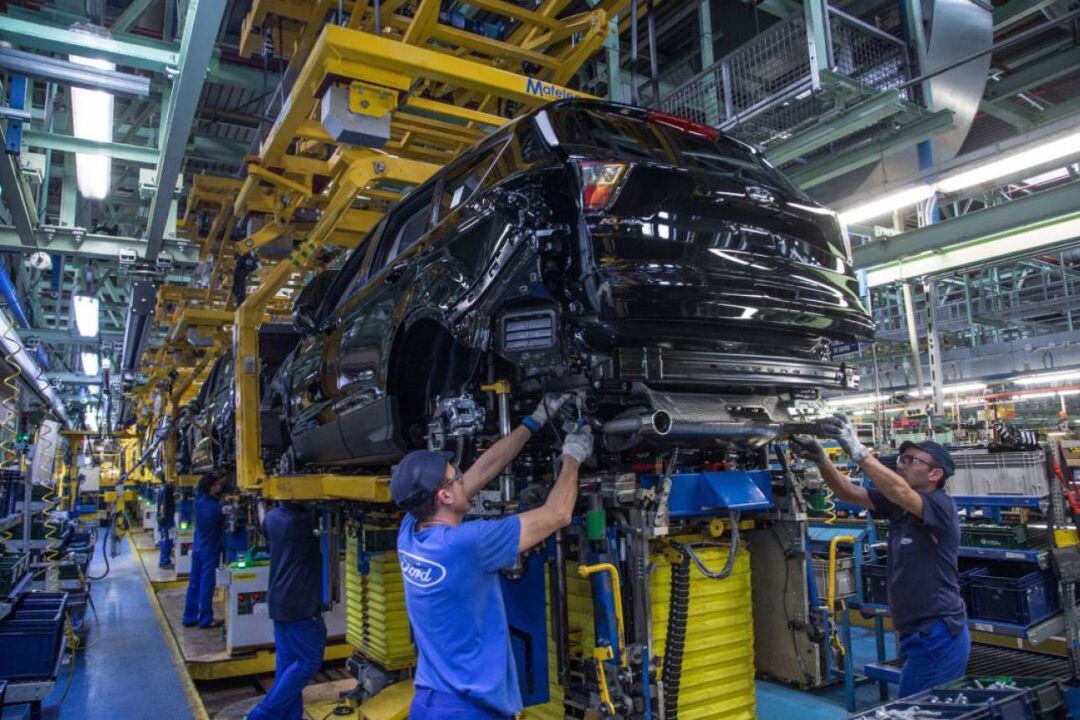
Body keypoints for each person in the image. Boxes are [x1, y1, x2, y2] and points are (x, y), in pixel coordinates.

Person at [393, 393, 592, 720]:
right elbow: (557, 514)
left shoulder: (410, 530)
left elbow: (484, 469)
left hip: (429, 702)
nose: (462, 478)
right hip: (469, 710)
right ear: (443, 495)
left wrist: (534, 420)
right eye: (455, 477)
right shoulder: (467, 544)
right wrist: (573, 457)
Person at [792, 414, 969, 696]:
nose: (902, 463)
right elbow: (848, 492)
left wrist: (859, 452)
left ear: (935, 475)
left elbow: (900, 491)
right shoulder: (899, 505)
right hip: (915, 632)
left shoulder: (939, 506)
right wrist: (820, 458)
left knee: (918, 710)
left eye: (912, 460)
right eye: (902, 458)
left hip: (938, 633)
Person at [247, 501, 325, 720]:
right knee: (309, 660)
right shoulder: (301, 522)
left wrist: (261, 502)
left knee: (287, 665)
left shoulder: (273, 519)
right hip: (299, 603)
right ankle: (262, 715)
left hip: (279, 599)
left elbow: (262, 521)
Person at [182, 472, 227, 628]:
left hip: (198, 546)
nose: (221, 487)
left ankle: (189, 616)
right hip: (210, 549)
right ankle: (205, 619)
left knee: (194, 582)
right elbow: (224, 516)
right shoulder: (215, 508)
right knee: (207, 583)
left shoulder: (199, 500)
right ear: (211, 487)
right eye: (219, 485)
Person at [157, 482, 176, 569]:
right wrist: (163, 517)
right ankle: (164, 562)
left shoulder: (163, 488)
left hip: (167, 519)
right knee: (166, 540)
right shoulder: (166, 489)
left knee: (168, 539)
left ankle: (166, 560)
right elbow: (163, 505)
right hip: (166, 519)